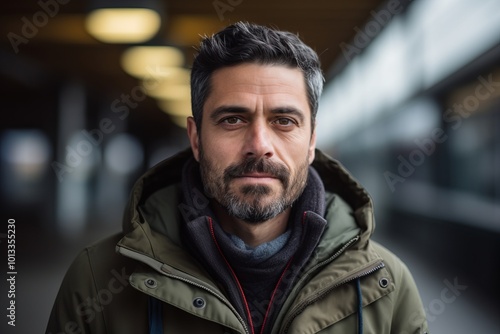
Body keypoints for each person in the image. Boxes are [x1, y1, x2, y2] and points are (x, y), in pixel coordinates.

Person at [47, 22, 428, 334]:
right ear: (196, 139)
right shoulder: (98, 279)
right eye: (233, 119)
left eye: (284, 121)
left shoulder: (386, 287)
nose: (259, 145)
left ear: (311, 142)